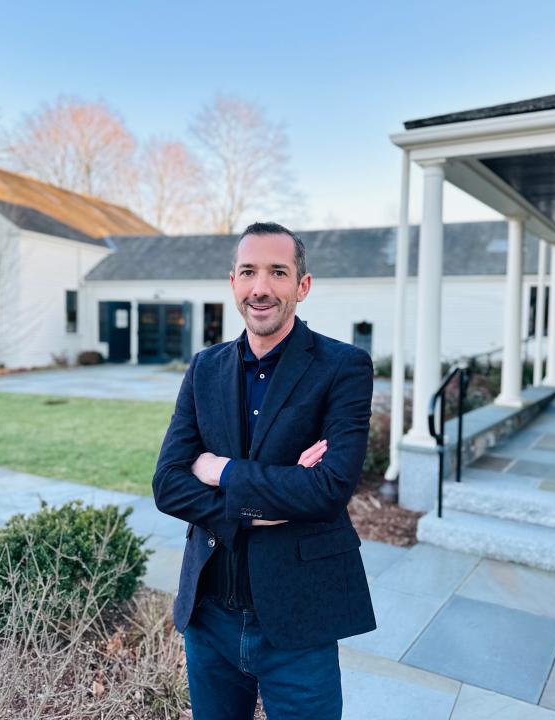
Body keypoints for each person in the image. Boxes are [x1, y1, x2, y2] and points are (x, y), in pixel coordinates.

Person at [152, 221, 375, 719]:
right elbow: (168, 484)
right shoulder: (204, 368)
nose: (261, 287)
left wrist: (221, 470)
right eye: (249, 272)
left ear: (303, 285)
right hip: (209, 619)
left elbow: (328, 490)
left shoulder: (343, 368)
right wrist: (257, 509)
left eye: (278, 272)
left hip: (299, 622)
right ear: (232, 281)